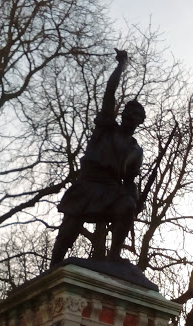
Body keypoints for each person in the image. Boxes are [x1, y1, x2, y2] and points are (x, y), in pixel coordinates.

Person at [50, 48, 146, 267]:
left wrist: (134, 198)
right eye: (130, 114)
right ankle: (54, 265)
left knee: (127, 207)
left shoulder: (135, 150)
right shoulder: (106, 128)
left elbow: (130, 180)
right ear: (123, 115)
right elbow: (110, 92)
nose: (132, 119)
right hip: (88, 185)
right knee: (68, 231)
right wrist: (121, 65)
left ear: (140, 122)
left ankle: (114, 255)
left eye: (137, 117)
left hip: (112, 190)